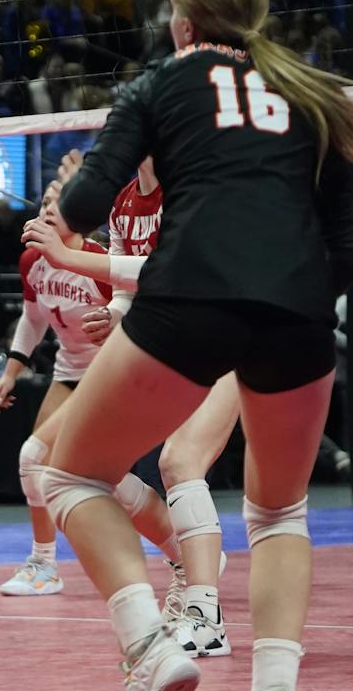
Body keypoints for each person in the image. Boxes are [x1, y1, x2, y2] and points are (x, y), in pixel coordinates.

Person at [39, 0, 353, 691]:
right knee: (280, 513)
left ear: (184, 22)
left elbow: (89, 205)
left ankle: (151, 650)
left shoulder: (162, 81)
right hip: (297, 313)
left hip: (188, 299)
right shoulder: (315, 95)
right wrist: (282, 295)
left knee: (66, 471)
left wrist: (67, 221)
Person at [25, 154, 232, 654]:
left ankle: (208, 616)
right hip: (159, 340)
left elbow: (168, 268)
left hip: (223, 330)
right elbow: (127, 289)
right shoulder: (122, 204)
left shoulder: (189, 185)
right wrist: (114, 312)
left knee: (181, 462)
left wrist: (70, 256)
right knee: (51, 459)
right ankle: (184, 559)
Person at [0, 182, 177, 596]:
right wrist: (11, 371)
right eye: (43, 204)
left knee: (45, 460)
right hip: (68, 372)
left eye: (56, 206)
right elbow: (33, 319)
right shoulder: (31, 261)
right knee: (50, 467)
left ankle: (175, 548)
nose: (46, 211)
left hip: (110, 374)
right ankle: (45, 563)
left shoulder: (99, 261)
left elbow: (133, 309)